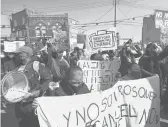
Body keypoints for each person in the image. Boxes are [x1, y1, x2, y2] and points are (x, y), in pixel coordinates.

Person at [14, 46, 53, 127]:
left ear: (27, 54)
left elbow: (48, 79)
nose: (18, 55)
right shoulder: (16, 69)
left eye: (20, 53)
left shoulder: (36, 65)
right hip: (19, 106)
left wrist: (38, 91)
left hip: (33, 104)